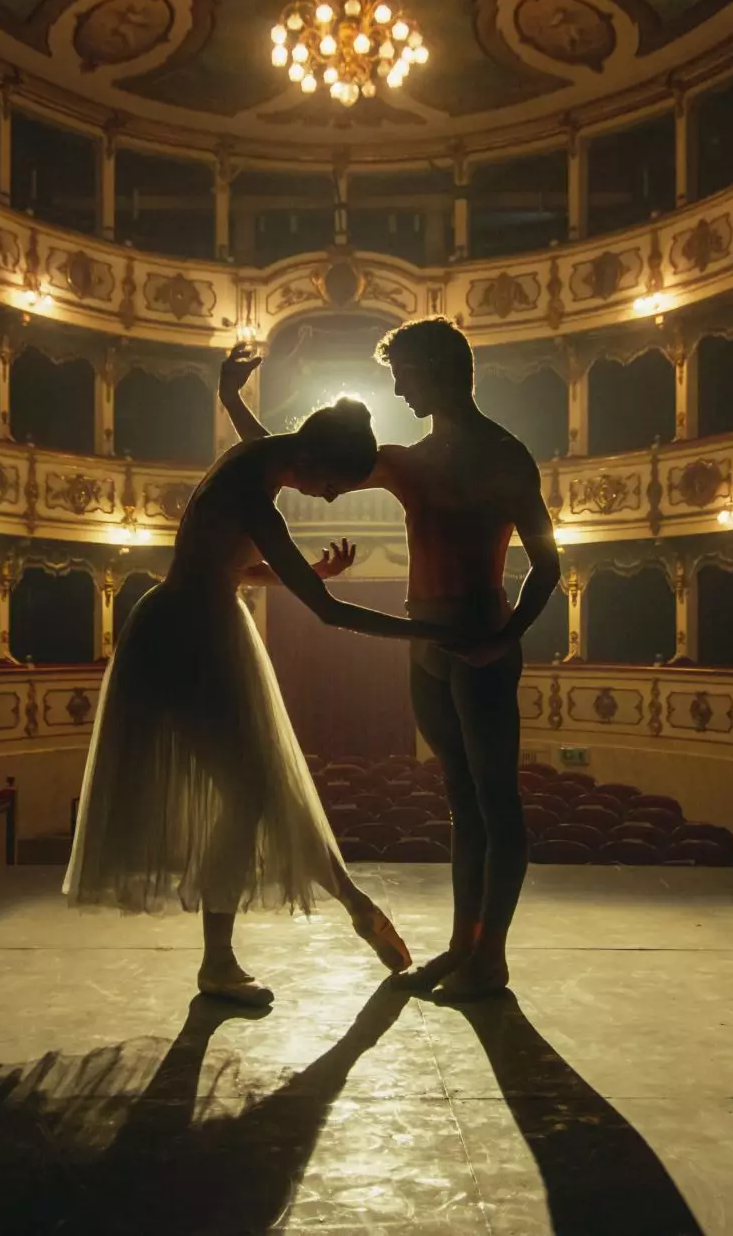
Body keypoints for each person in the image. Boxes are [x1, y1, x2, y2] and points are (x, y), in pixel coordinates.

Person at [62, 398, 463, 1006]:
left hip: (194, 626)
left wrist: (230, 398)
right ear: (310, 459)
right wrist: (428, 631)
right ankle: (227, 960)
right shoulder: (254, 491)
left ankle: (344, 908)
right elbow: (325, 614)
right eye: (331, 486)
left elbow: (231, 561)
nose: (327, 500)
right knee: (253, 790)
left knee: (263, 787)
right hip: (188, 639)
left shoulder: (252, 461)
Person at [220, 317, 561, 998]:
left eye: (403, 374)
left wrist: (506, 636)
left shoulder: (504, 455)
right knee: (464, 805)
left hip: (477, 638)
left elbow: (548, 564)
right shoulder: (411, 460)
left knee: (498, 805)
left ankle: (489, 960)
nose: (398, 389)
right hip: (427, 643)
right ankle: (463, 948)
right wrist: (234, 404)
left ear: (438, 370)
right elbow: (298, 461)